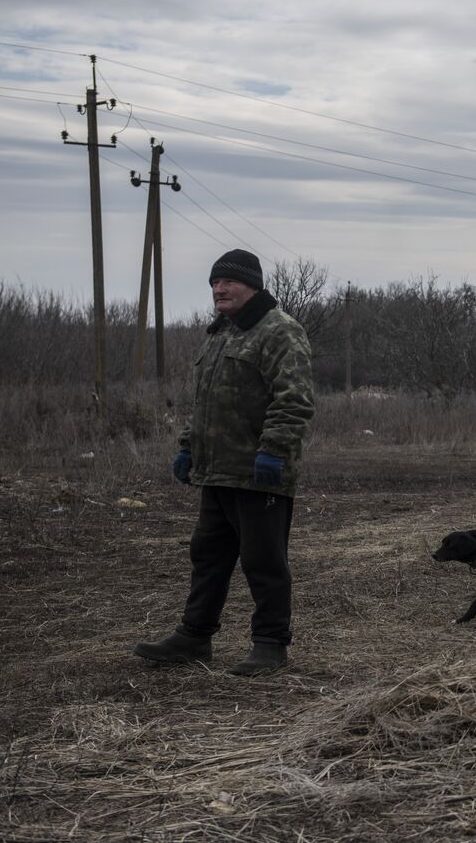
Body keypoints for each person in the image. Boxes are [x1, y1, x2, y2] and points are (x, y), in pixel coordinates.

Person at [134, 249, 315, 675]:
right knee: (208, 555)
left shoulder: (279, 331)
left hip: (258, 472)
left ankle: (271, 644)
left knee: (263, 560)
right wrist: (187, 447)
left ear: (252, 285)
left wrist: (272, 451)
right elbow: (204, 402)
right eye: (214, 283)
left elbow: (295, 400)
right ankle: (194, 636)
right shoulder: (219, 333)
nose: (219, 289)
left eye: (228, 282)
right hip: (217, 470)